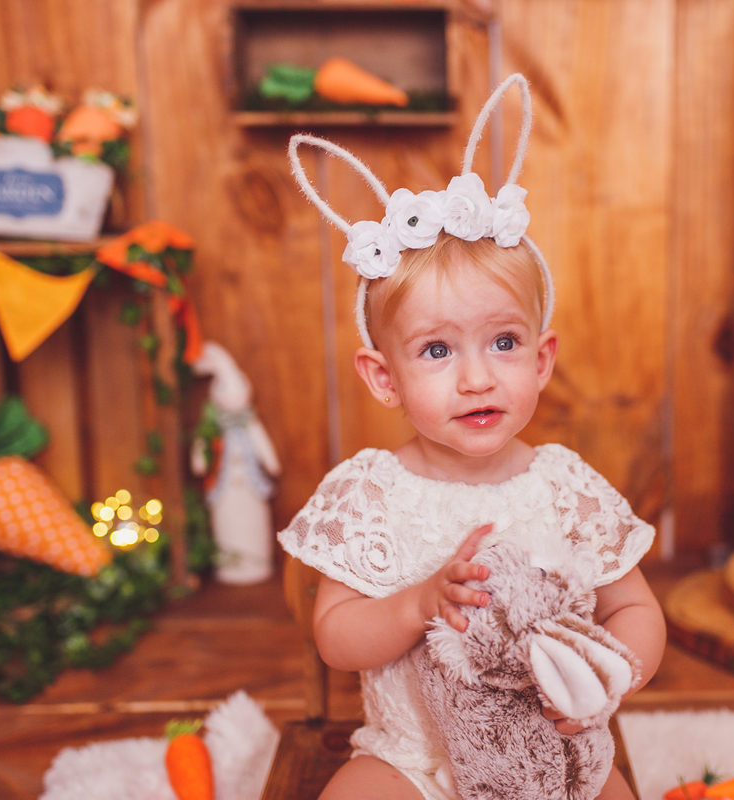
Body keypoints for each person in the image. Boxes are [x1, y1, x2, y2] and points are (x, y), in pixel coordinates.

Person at [279, 75, 666, 800]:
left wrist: (608, 678)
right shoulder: (372, 491)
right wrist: (416, 604)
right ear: (383, 377)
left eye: (504, 343)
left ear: (542, 359)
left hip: (550, 758)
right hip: (410, 762)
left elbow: (636, 610)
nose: (478, 379)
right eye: (436, 351)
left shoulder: (563, 485)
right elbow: (334, 636)